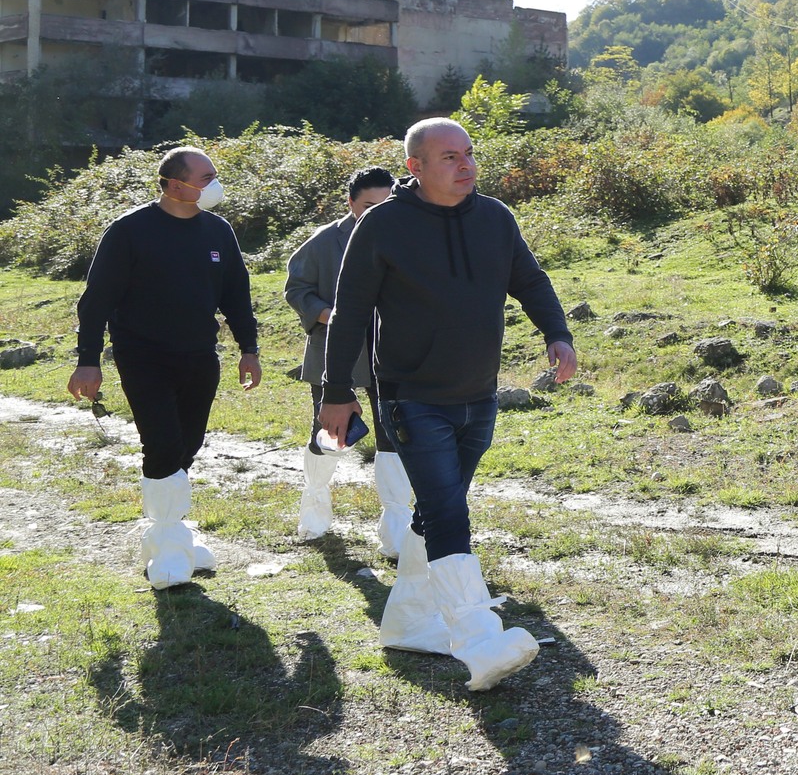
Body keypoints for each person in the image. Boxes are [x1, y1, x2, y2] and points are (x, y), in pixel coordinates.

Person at [316, 119, 575, 692]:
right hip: (411, 396)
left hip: (477, 393)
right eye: (450, 157)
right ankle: (479, 641)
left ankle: (408, 623)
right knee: (448, 512)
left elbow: (530, 281)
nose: (466, 165)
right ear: (415, 167)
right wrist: (336, 392)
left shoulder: (495, 218)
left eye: (469, 154)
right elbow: (350, 311)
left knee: (439, 508)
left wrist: (557, 333)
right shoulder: (383, 225)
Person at [66, 146, 261, 589]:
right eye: (206, 178)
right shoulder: (130, 231)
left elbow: (236, 293)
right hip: (143, 356)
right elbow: (96, 301)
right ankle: (169, 550)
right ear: (176, 184)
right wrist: (88, 361)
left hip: (199, 355)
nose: (215, 185)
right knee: (162, 443)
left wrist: (248, 348)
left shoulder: (218, 231)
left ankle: (170, 534)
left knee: (188, 444)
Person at [285, 165, 402, 548]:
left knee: (394, 434)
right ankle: (315, 511)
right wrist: (331, 316)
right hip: (334, 353)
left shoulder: (409, 237)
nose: (377, 214)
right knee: (330, 433)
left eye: (386, 204)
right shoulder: (323, 242)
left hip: (392, 352)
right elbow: (296, 289)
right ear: (350, 202)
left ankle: (396, 528)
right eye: (368, 206)